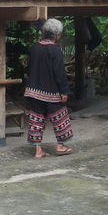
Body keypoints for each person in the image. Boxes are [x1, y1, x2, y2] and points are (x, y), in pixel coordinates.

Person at [25, 18, 73, 157]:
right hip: (51, 93)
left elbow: (30, 68)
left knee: (36, 119)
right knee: (60, 118)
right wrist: (64, 91)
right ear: (57, 35)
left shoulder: (34, 48)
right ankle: (60, 146)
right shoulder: (55, 50)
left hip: (33, 91)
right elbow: (60, 73)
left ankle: (38, 150)